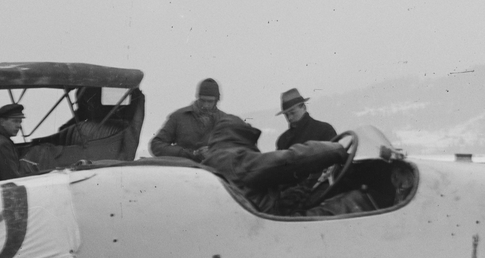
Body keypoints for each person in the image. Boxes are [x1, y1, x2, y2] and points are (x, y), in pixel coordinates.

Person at [202, 116, 369, 216]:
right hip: (272, 224)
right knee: (357, 200)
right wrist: (335, 150)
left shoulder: (218, 158)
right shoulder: (232, 159)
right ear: (238, 134)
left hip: (264, 216)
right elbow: (288, 161)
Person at [149, 78, 232, 161]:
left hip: (214, 170)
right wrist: (188, 153)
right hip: (184, 169)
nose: (205, 105)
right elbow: (156, 145)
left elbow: (239, 150)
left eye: (210, 101)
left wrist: (215, 152)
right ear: (198, 97)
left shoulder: (227, 122)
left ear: (216, 101)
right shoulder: (179, 117)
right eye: (202, 100)